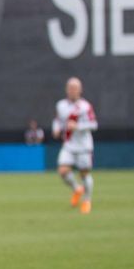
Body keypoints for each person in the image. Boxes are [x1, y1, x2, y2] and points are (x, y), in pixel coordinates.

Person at [52, 77, 97, 214]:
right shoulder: (61, 105)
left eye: (75, 88)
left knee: (84, 174)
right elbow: (58, 120)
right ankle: (77, 189)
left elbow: (94, 125)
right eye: (70, 88)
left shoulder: (85, 106)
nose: (72, 91)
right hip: (69, 144)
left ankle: (87, 200)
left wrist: (78, 126)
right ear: (67, 89)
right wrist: (56, 129)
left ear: (80, 90)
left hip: (84, 146)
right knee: (63, 171)